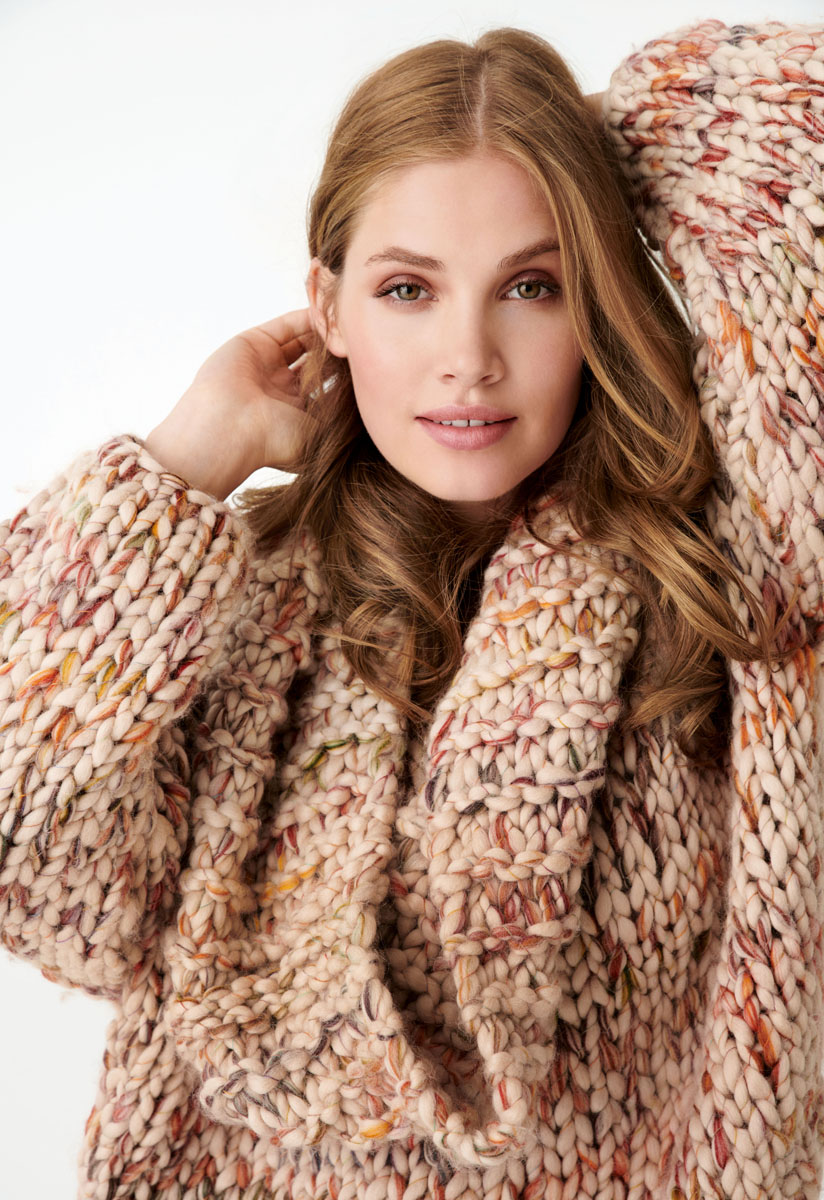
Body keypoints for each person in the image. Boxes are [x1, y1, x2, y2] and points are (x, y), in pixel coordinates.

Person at [0, 16, 822, 1200]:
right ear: (327, 308)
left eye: (530, 286)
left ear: (596, 300)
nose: (467, 356)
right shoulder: (220, 611)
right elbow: (29, 860)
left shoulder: (724, 589)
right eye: (406, 290)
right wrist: (180, 466)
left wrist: (632, 136)